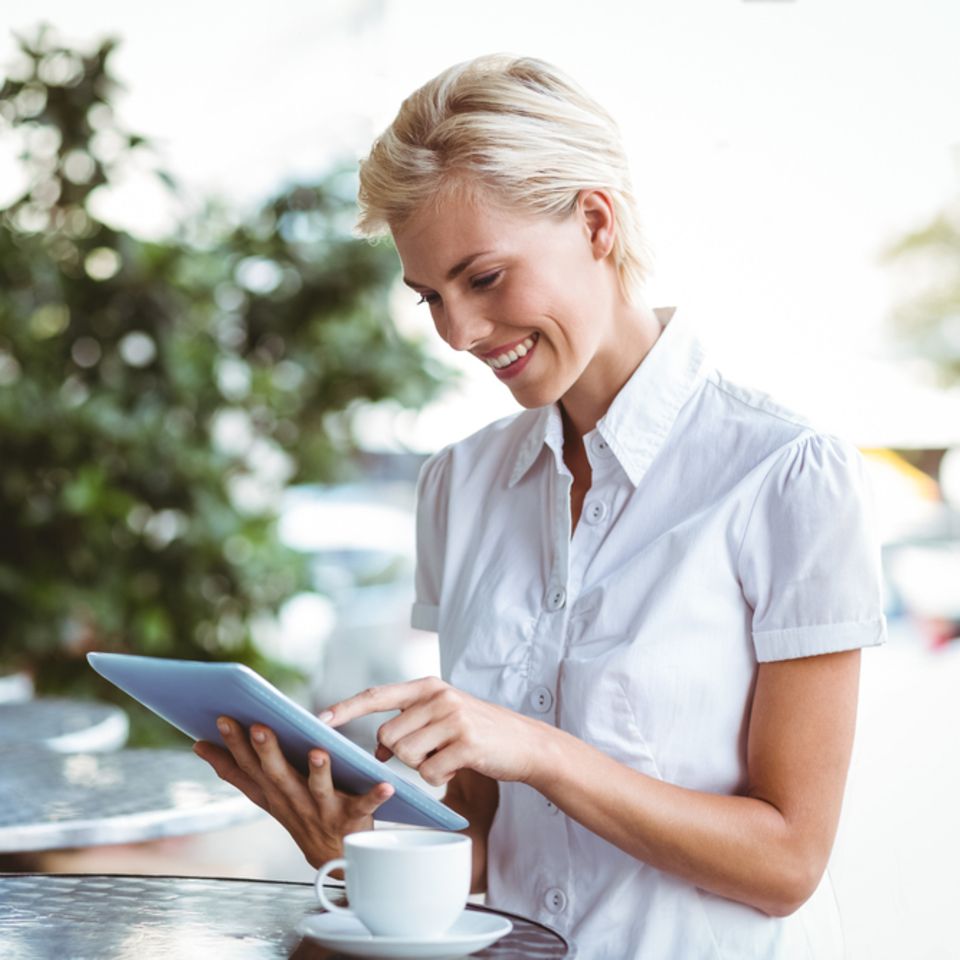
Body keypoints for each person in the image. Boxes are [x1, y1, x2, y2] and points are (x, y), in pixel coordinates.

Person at [194, 53, 886, 958]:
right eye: (430, 298)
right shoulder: (460, 487)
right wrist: (347, 843)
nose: (460, 335)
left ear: (595, 221)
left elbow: (788, 860)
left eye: (482, 279)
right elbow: (487, 844)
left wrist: (542, 750)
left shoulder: (786, 475)